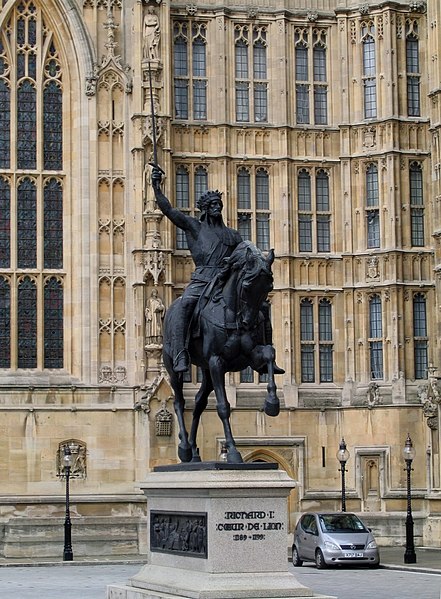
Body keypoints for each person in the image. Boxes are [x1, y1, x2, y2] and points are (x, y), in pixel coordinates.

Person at [151, 166, 283, 375]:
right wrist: (156, 187)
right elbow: (170, 211)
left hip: (224, 281)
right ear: (205, 209)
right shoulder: (195, 227)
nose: (217, 208)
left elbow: (245, 256)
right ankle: (180, 353)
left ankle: (265, 356)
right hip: (202, 280)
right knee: (184, 305)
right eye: (213, 205)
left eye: (219, 205)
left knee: (262, 307)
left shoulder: (233, 235)